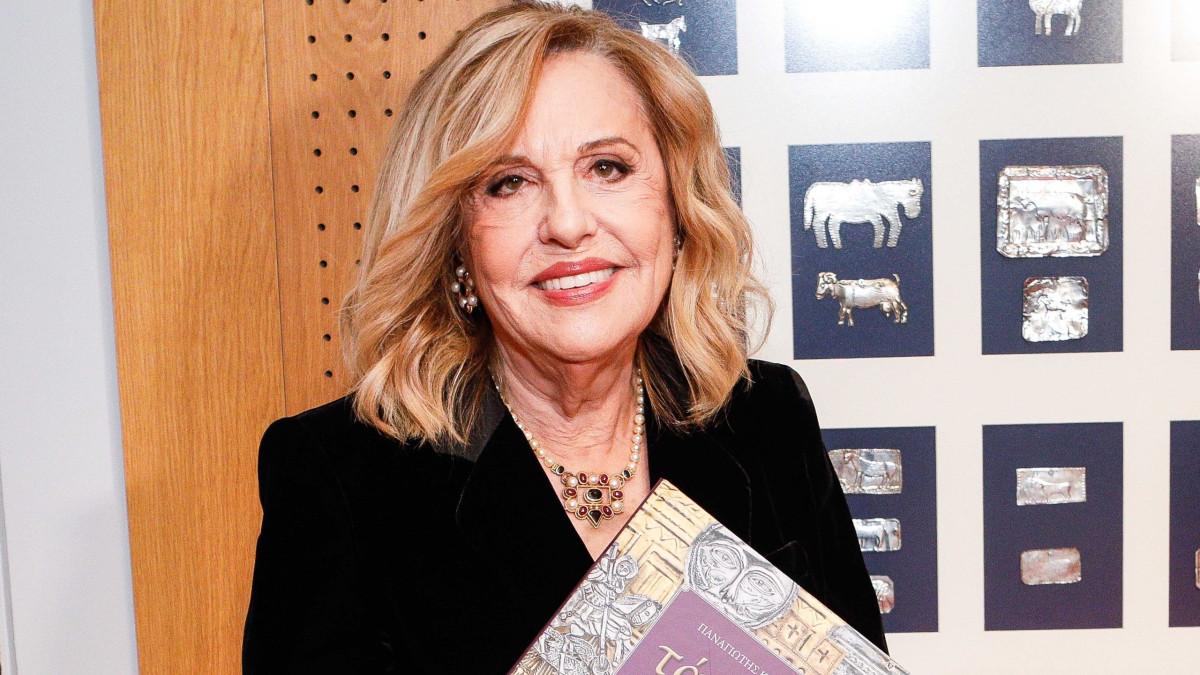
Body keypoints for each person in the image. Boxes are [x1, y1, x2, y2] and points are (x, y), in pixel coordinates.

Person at [241, 2, 885, 672]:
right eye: (510, 182)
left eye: (606, 167)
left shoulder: (767, 417)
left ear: (675, 204)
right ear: (454, 238)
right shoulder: (340, 476)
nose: (568, 224)